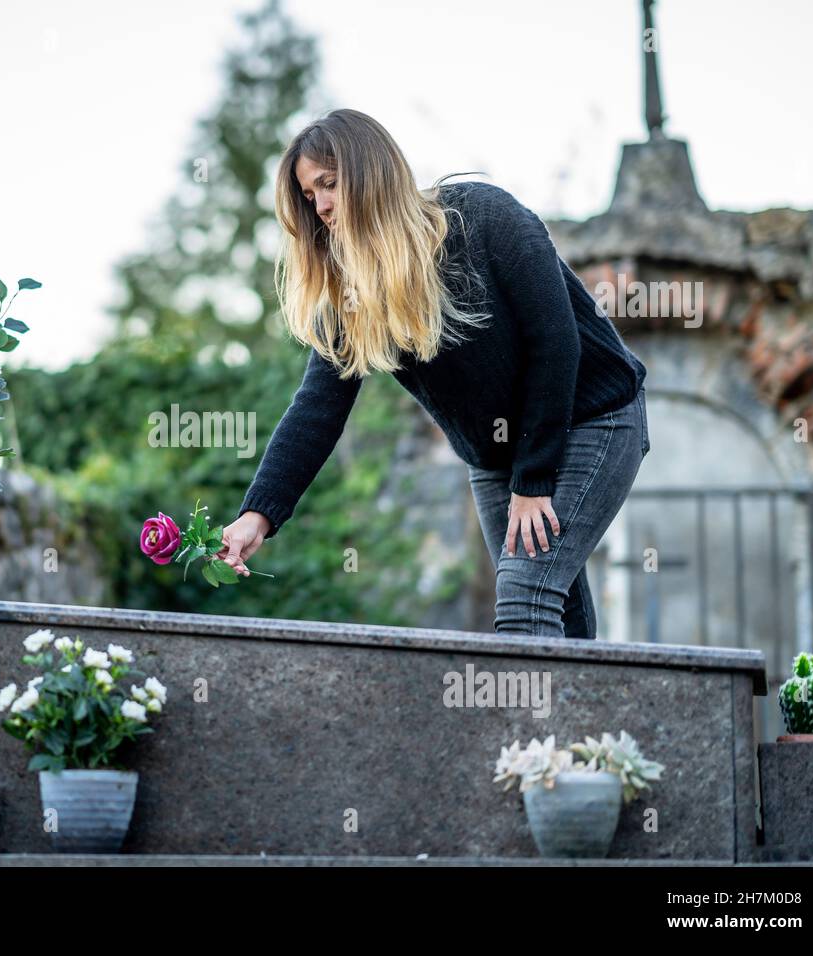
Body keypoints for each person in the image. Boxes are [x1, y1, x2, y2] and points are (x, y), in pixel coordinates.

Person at [218, 108, 650, 639]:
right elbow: (317, 407)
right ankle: (589, 724)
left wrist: (534, 479)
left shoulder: (484, 219)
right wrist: (256, 515)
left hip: (595, 417)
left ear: (370, 172)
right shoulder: (352, 292)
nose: (322, 205)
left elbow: (555, 341)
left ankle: (523, 726)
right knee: (556, 614)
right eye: (310, 196)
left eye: (329, 184)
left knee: (524, 599)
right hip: (495, 457)